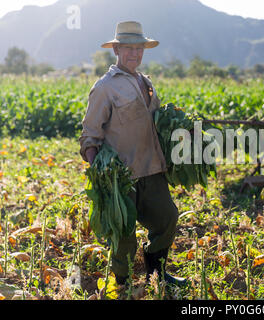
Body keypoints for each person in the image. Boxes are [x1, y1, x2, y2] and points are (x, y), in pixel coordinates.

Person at [79, 21, 186, 287]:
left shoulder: (146, 82)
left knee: (167, 217)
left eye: (139, 49)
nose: (134, 54)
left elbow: (155, 122)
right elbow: (90, 135)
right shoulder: (105, 87)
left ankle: (156, 273)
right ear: (116, 49)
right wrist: (101, 174)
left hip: (152, 167)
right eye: (128, 48)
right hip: (121, 175)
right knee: (124, 231)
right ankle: (123, 281)